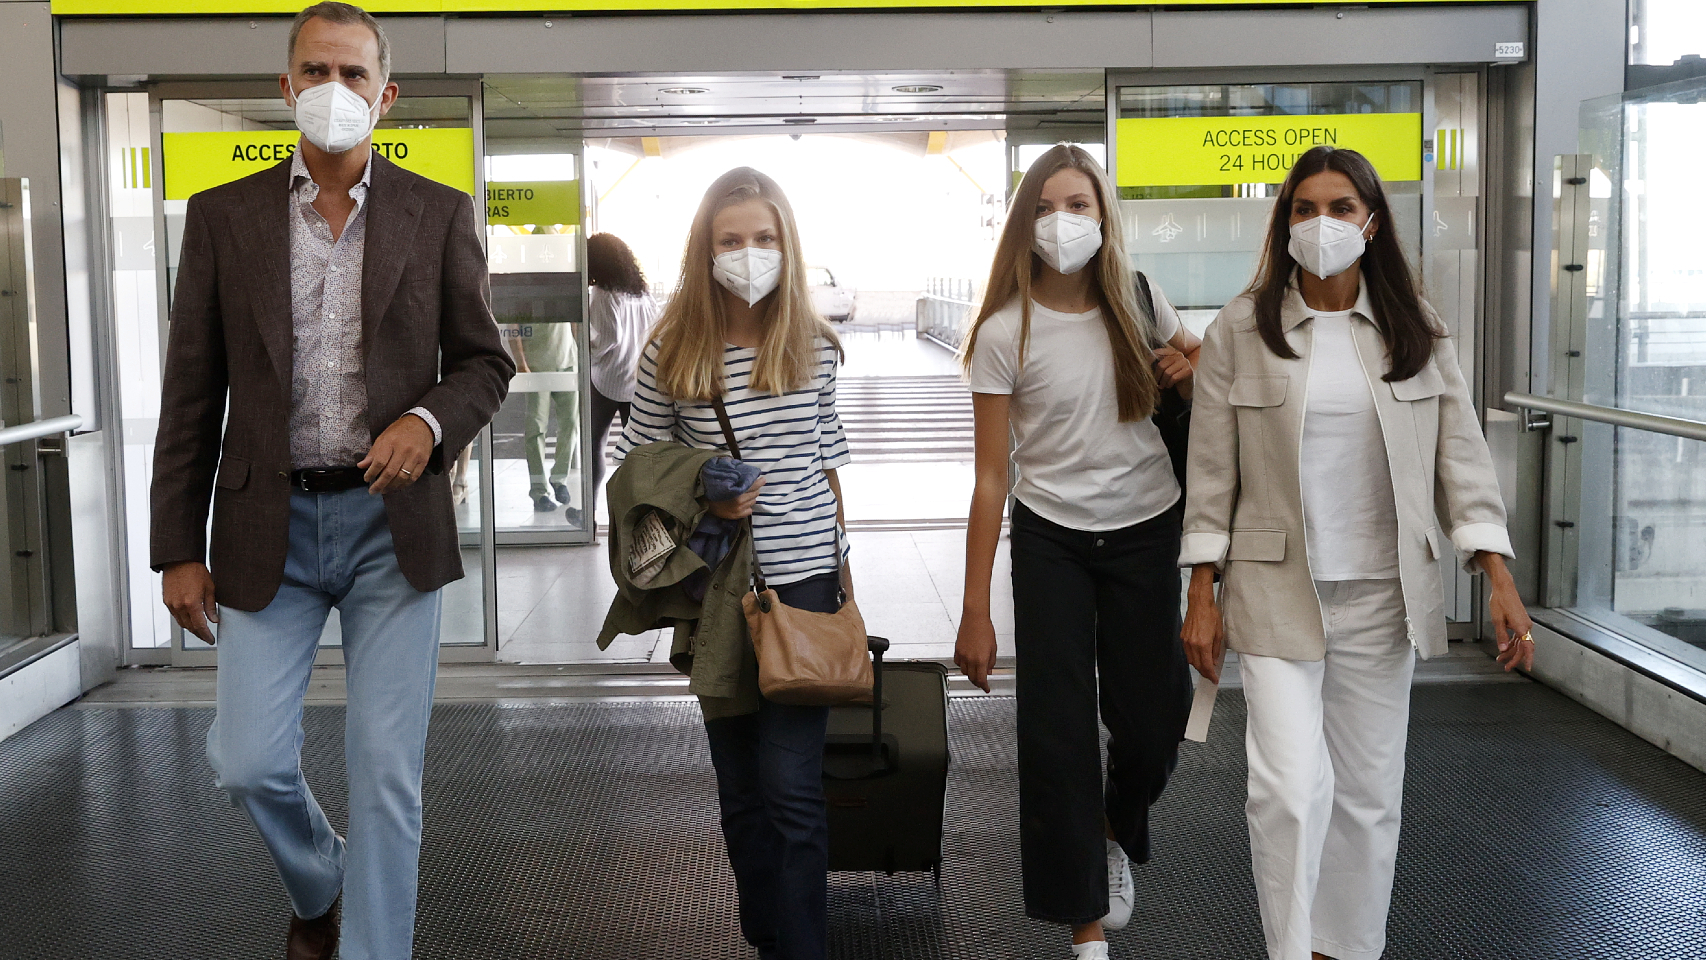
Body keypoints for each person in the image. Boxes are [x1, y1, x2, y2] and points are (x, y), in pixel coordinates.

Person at [149, 5, 514, 959]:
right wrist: (177, 549)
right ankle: (321, 882)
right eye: (316, 70)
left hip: (393, 529)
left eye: (354, 74)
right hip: (266, 523)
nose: (334, 90)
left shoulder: (439, 213)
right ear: (286, 88)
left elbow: (485, 364)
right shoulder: (222, 220)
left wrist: (424, 423)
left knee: (387, 773)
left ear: (385, 97)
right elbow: (192, 393)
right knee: (246, 760)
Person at [1178, 145, 1533, 960]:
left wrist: (1497, 575)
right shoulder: (1240, 327)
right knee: (1290, 791)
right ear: (1284, 222)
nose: (1321, 223)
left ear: (1372, 222)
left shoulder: (1415, 327)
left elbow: (1460, 456)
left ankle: (1348, 950)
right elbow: (1211, 471)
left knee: (1369, 798)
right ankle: (1291, 949)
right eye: (1304, 208)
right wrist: (1202, 592)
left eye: (1340, 208)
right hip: (1274, 590)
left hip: (1383, 592)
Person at [955, 144, 1202, 960]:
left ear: (1104, 216)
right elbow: (993, 478)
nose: (1064, 221)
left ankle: (1113, 823)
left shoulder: (1138, 299)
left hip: (1146, 528)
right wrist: (974, 612)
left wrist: (1185, 362)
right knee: (1055, 734)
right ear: (1026, 222)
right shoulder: (1002, 331)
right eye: (1048, 205)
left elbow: (1203, 360)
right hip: (1051, 536)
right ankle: (1085, 926)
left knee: (1154, 719)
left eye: (1080, 204)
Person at [611, 167, 852, 960]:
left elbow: (827, 466)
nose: (748, 253)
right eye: (730, 240)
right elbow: (634, 467)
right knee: (743, 793)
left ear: (787, 244)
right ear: (704, 249)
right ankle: (768, 935)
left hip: (805, 585)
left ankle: (801, 950)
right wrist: (702, 491)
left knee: (792, 791)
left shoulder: (814, 345)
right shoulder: (671, 352)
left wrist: (844, 574)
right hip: (715, 593)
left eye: (763, 238)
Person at [586, 231, 660, 514]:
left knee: (595, 443)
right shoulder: (641, 292)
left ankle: (589, 511)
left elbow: (606, 341)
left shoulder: (603, 295)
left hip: (607, 380)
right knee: (638, 450)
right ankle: (642, 510)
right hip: (639, 380)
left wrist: (580, 338)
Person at [512, 298, 580, 521]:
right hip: (536, 367)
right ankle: (539, 491)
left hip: (568, 362)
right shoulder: (526, 292)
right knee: (536, 429)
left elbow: (574, 322)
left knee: (571, 424)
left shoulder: (562, 288)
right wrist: (521, 364)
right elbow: (513, 327)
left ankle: (559, 479)